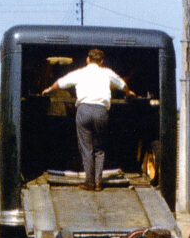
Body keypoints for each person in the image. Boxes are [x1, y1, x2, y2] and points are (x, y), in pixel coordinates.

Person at [41, 48, 134, 190]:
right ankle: (98, 182)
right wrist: (128, 92)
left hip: (84, 110)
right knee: (99, 148)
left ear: (87, 59)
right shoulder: (107, 73)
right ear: (102, 61)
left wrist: (49, 89)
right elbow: (122, 84)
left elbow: (60, 83)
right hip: (101, 111)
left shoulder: (80, 73)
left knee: (86, 148)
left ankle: (89, 182)